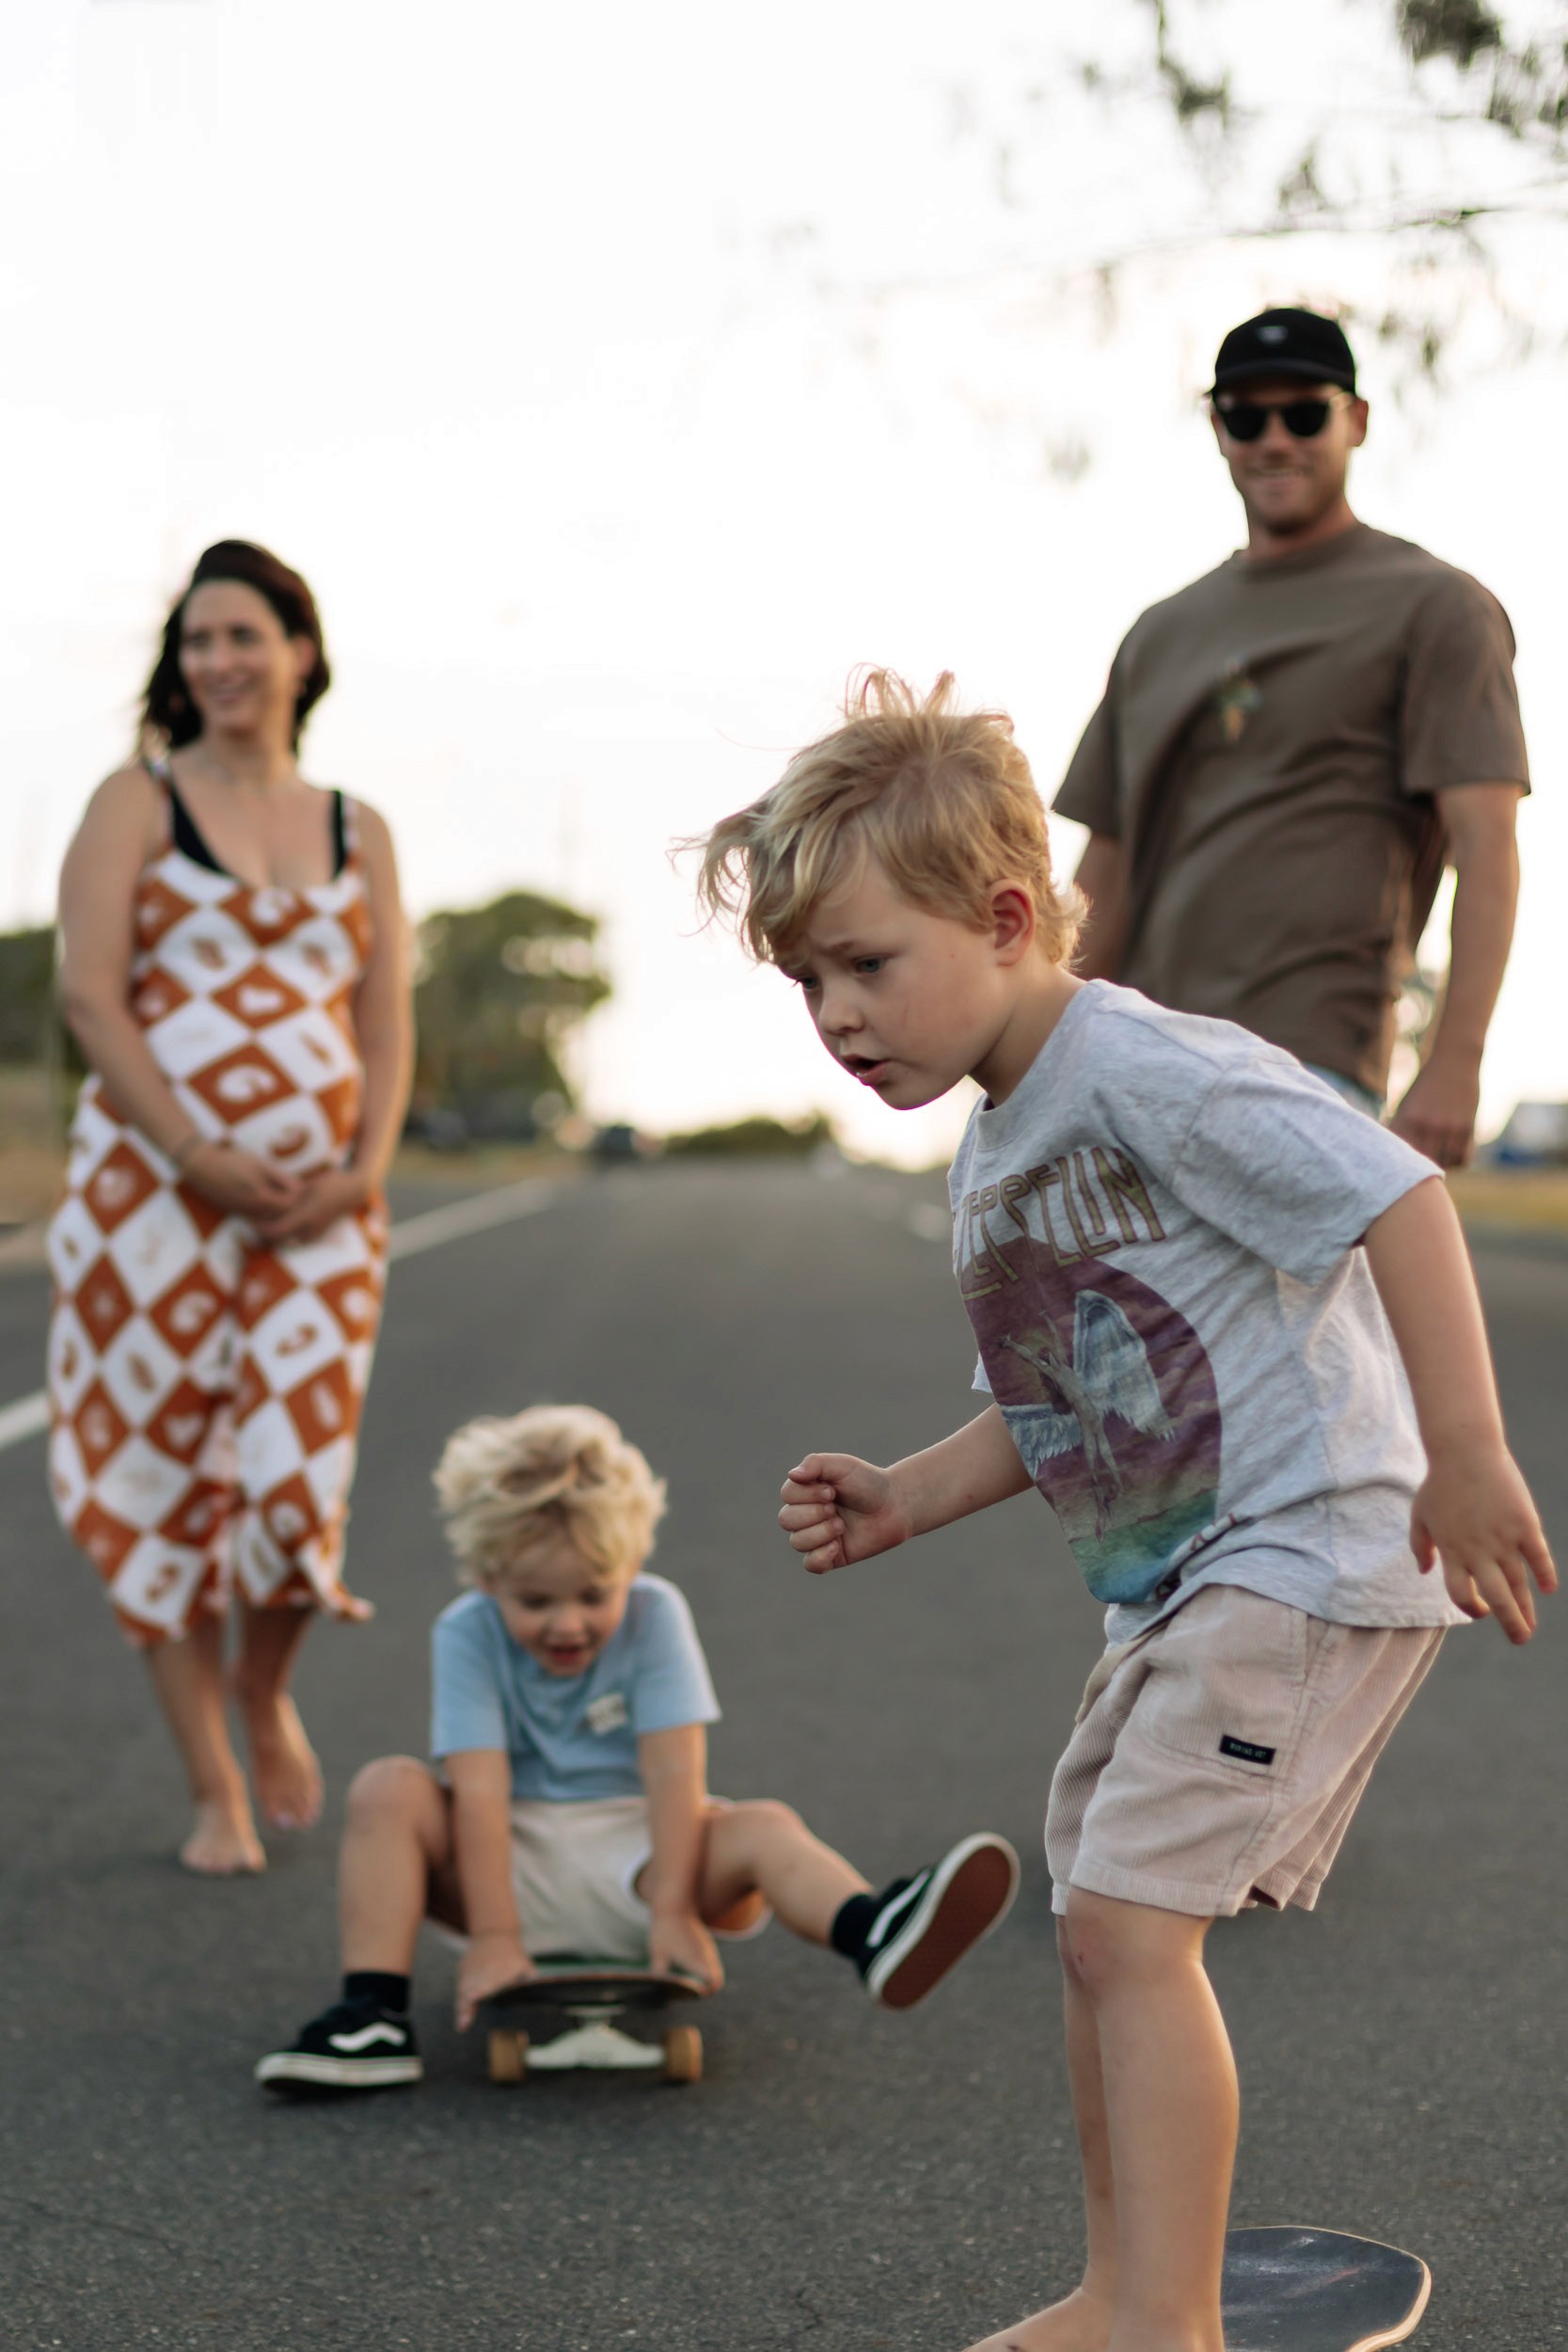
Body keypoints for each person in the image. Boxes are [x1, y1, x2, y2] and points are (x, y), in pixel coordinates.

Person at [693, 673, 1555, 2352]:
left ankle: (1157, 2315)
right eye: (809, 984)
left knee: (1129, 1935)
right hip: (1176, 1589)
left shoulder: (1146, 1067)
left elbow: (1396, 1190)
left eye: (867, 965)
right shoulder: (996, 1150)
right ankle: (1123, 2286)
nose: (837, 1016)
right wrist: (905, 1497)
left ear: (1008, 917)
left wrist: (1466, 1448)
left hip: (1300, 1554)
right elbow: (1047, 1403)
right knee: (1097, 1927)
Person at [255, 1403, 1020, 2091]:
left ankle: (871, 1931)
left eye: (593, 1595)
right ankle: (372, 2019)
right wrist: (492, 1936)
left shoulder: (655, 1615)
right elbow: (479, 1790)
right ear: (488, 1578)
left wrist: (671, 1910)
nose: (566, 1624)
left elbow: (673, 1773)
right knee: (390, 1787)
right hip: (507, 1873)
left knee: (761, 1827)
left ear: (629, 1570)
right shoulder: (466, 1630)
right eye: (534, 1601)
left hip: (652, 1865)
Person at [47, 540, 412, 1877]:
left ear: (300, 653)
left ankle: (262, 1685)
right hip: (150, 1201)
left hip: (320, 1217)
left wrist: (365, 1169)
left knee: (291, 1481)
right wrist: (193, 1151)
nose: (219, 661)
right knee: (155, 1480)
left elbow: (384, 1020)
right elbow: (93, 995)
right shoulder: (135, 801)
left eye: (243, 635)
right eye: (197, 640)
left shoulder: (354, 827)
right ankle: (214, 1788)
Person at [1059, 307, 1529, 1166]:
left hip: (1306, 1059)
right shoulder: (1158, 634)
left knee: (1282, 1308)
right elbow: (1106, 871)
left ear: (1355, 420)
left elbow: (1487, 847)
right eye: (1245, 416)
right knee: (1115, 1309)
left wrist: (1453, 1062)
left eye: (1303, 413)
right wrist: (1046, 1058)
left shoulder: (1433, 606)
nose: (1273, 438)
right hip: (1136, 1058)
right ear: (1217, 430)